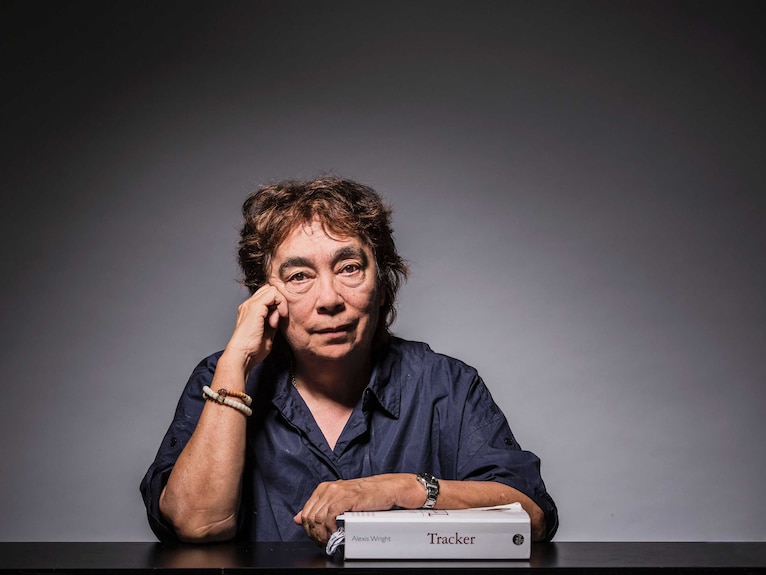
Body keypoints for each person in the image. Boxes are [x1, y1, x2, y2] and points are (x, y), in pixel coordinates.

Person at [140, 176, 558, 546]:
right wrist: (236, 364)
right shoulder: (221, 379)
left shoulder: (445, 383)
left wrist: (404, 490)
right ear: (265, 296)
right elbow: (197, 524)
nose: (329, 300)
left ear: (382, 281)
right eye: (299, 276)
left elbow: (531, 517)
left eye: (349, 267)